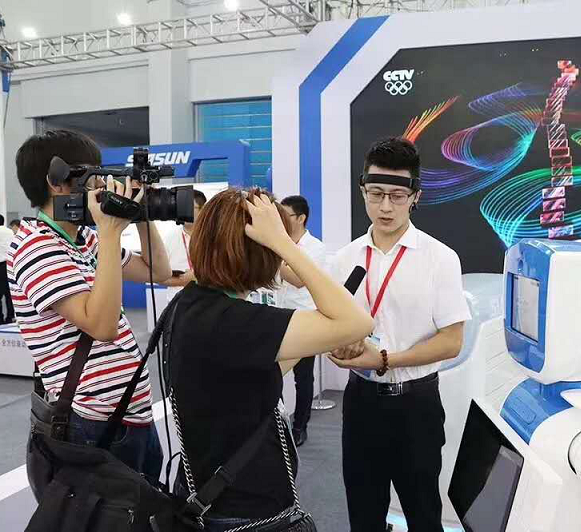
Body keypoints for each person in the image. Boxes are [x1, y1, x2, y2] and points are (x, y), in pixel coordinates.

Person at [169, 188, 373, 532]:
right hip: (244, 508)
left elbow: (256, 373)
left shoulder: (193, 303)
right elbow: (358, 323)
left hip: (210, 495)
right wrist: (285, 244)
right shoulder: (235, 320)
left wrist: (318, 337)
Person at [9, 129, 172, 486]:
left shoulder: (85, 238)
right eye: (93, 176)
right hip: (91, 422)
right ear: (57, 181)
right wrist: (111, 232)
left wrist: (142, 215)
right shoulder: (36, 247)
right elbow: (102, 326)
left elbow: (157, 271)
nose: (101, 185)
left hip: (130, 414)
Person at [329, 137, 471, 532]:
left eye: (396, 196)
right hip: (360, 403)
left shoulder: (439, 258)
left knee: (423, 514)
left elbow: (451, 341)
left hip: (416, 406)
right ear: (363, 192)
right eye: (376, 194)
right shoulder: (345, 259)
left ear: (415, 197)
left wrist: (384, 359)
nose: (386, 207)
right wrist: (338, 347)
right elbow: (331, 328)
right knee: (363, 514)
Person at [277, 195, 327, 447]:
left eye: (285, 216)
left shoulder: (315, 248)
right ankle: (276, 424)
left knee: (303, 378)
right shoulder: (280, 243)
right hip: (278, 317)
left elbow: (299, 280)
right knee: (272, 375)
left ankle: (300, 427)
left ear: (301, 218)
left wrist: (274, 258)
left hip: (305, 320)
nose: (281, 221)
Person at [163, 190, 207, 288]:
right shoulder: (169, 239)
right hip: (178, 296)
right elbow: (160, 277)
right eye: (181, 208)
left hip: (209, 296)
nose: (184, 212)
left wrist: (197, 278)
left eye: (189, 207)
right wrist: (183, 281)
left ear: (202, 210)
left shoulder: (214, 237)